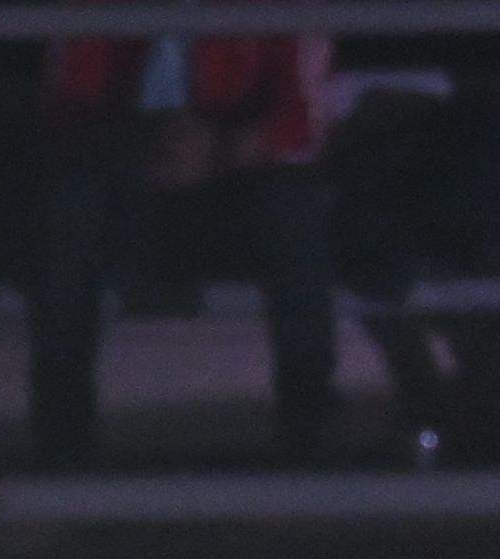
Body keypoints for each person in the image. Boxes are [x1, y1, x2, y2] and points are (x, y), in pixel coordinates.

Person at [28, 35, 349, 466]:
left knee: (294, 210)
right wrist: (144, 146)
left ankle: (309, 439)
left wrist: (223, 149)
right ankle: (61, 446)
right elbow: (63, 106)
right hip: (123, 179)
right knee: (71, 207)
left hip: (236, 184)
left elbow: (308, 119)